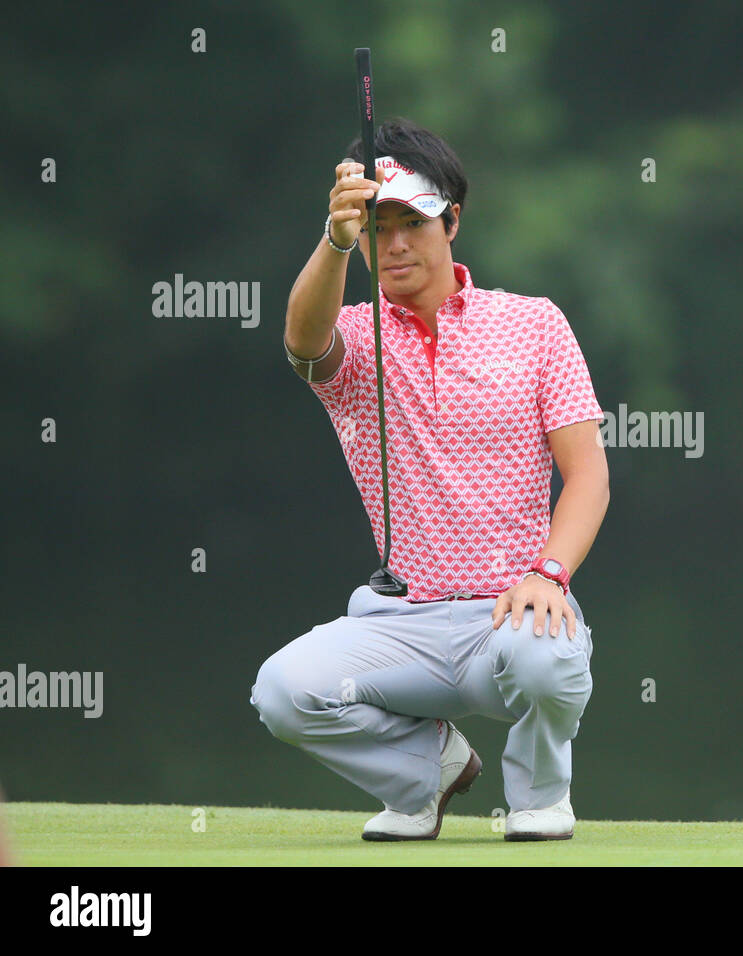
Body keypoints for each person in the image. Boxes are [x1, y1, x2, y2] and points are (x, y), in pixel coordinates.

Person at [250, 118, 609, 842]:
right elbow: (301, 338)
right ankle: (426, 776)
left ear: (452, 220)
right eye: (378, 227)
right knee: (284, 692)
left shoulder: (535, 325)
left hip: (512, 616)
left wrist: (550, 572)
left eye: (411, 222)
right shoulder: (357, 337)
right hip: (397, 628)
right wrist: (336, 237)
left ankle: (539, 797)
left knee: (545, 659)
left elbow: (588, 476)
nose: (396, 244)